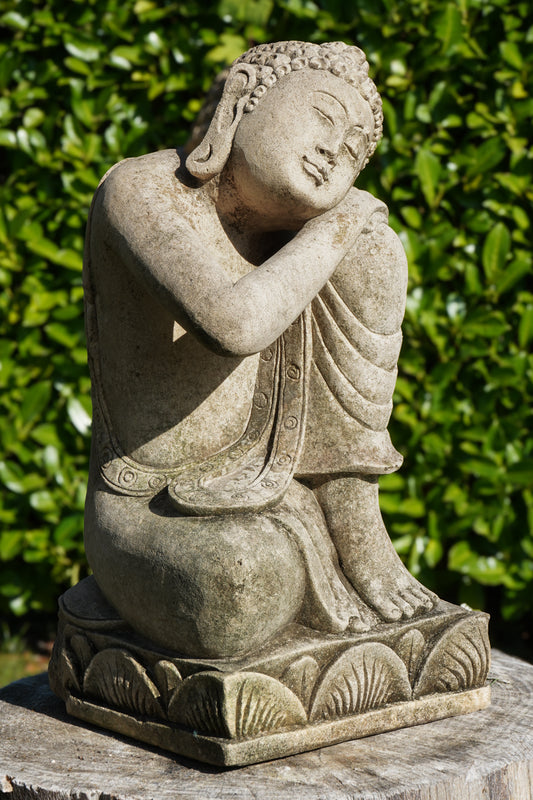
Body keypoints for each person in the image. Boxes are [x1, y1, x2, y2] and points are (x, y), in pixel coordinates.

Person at [83, 41, 437, 659]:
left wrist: (340, 232)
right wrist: (339, 221)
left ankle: (352, 524)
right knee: (236, 585)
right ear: (244, 95)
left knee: (374, 251)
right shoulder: (141, 190)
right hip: (149, 510)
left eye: (356, 151)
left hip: (265, 482)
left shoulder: (301, 240)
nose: (335, 151)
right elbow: (234, 325)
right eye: (323, 117)